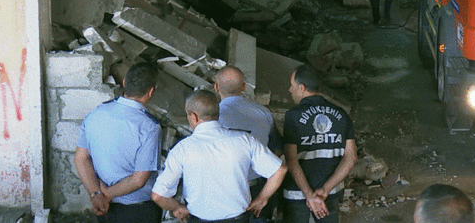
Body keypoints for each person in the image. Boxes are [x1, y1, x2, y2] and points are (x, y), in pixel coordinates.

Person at [152, 89, 287, 223]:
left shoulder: (182, 149)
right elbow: (279, 170)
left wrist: (177, 208)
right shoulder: (244, 140)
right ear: (217, 113)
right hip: (238, 220)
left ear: (194, 116)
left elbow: (158, 195)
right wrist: (262, 199)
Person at [74, 62, 162, 223]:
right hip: (138, 209)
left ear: (124, 83)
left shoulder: (96, 114)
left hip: (104, 207)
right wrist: (107, 195)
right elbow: (138, 180)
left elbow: (81, 158)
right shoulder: (150, 127)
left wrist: (96, 194)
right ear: (151, 92)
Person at [283, 65, 357, 223]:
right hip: (330, 192)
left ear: (302, 88)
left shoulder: (293, 117)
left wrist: (309, 195)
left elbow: (291, 161)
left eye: (292, 85)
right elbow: (350, 158)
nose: (290, 89)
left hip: (297, 193)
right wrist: (324, 190)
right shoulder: (342, 115)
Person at [215, 65, 283, 223]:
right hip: (257, 189)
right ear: (244, 87)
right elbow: (278, 148)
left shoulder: (210, 117)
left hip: (222, 190)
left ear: (216, 87)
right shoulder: (263, 113)